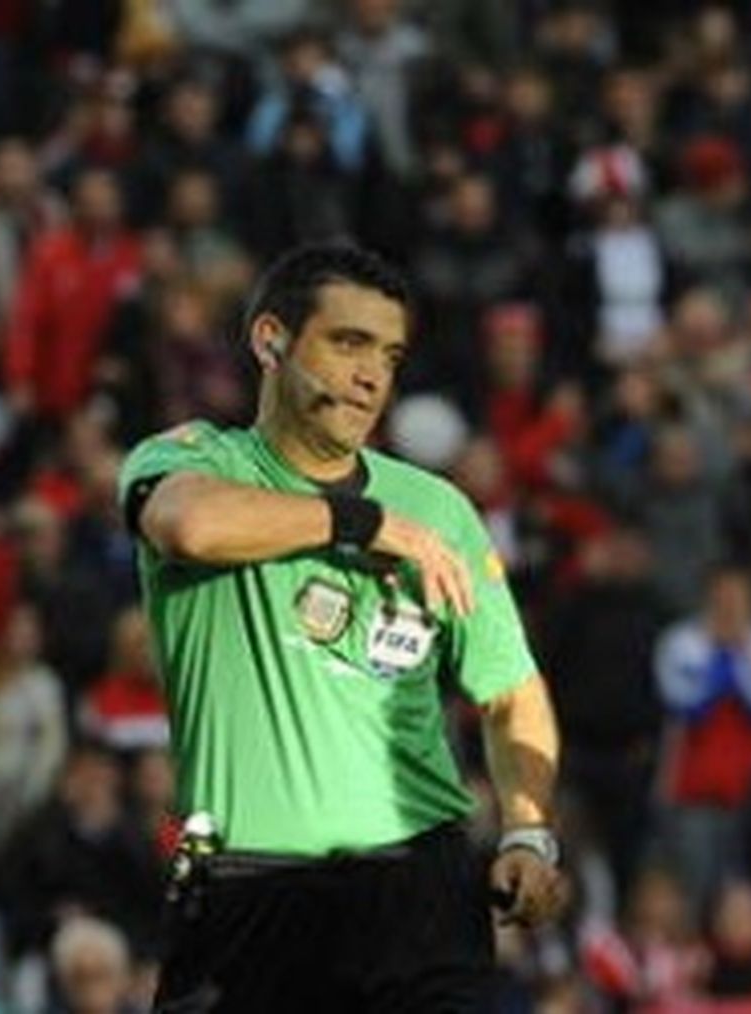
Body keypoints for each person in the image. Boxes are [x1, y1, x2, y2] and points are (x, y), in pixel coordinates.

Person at [117, 244, 565, 1011]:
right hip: (247, 887)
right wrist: (364, 525)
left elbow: (510, 690)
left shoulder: (440, 510)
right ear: (271, 340)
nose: (372, 376)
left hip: (417, 889)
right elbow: (189, 526)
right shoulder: (196, 459)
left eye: (389, 355)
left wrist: (528, 831)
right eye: (348, 342)